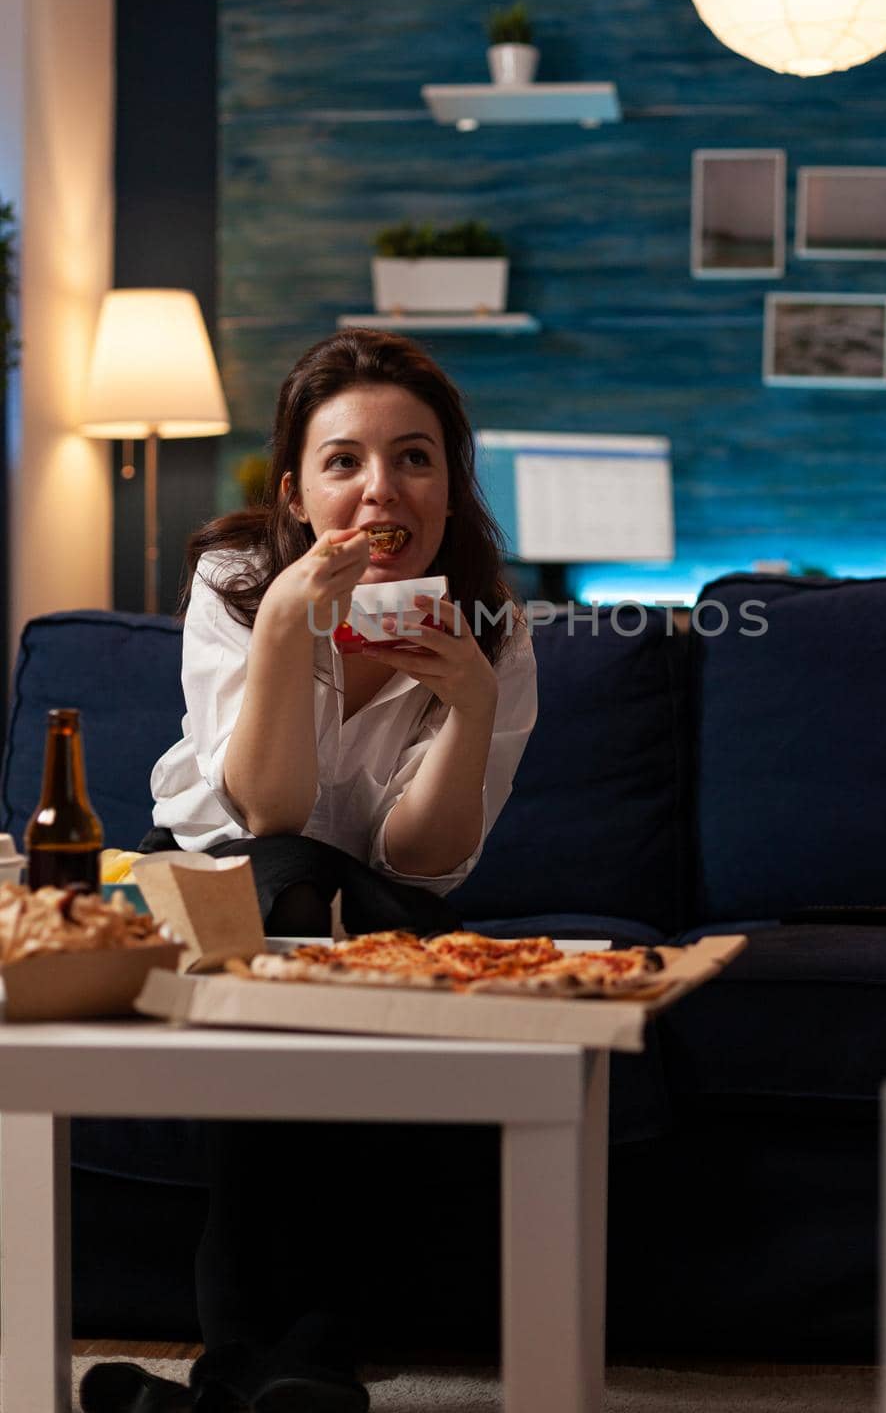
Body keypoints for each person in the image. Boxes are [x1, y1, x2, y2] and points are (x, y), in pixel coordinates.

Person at [81, 330, 536, 1413]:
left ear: (447, 483)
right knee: (281, 875)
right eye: (345, 462)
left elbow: (424, 858)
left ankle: (230, 1375)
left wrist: (468, 701)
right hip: (221, 892)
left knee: (321, 906)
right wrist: (287, 621)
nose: (380, 489)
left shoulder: (491, 626)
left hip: (377, 908)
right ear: (297, 489)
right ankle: (308, 1359)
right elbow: (266, 809)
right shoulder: (236, 582)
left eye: (413, 458)